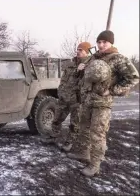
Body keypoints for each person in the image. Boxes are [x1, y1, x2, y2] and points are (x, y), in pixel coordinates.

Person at [67, 30, 139, 177]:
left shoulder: (118, 58)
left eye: (104, 42)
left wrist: (113, 90)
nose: (101, 45)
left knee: (97, 133)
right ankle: (83, 153)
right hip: (87, 101)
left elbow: (133, 77)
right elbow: (87, 75)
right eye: (99, 42)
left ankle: (94, 165)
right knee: (84, 128)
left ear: (111, 42)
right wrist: (80, 69)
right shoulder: (93, 58)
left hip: (102, 103)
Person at [41, 42, 91, 152]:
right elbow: (63, 80)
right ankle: (53, 136)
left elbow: (87, 82)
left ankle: (70, 142)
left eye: (81, 50)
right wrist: (60, 91)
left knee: (74, 123)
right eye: (78, 49)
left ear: (87, 52)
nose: (78, 51)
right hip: (64, 97)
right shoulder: (71, 64)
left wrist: (81, 71)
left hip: (77, 100)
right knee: (57, 118)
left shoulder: (89, 65)